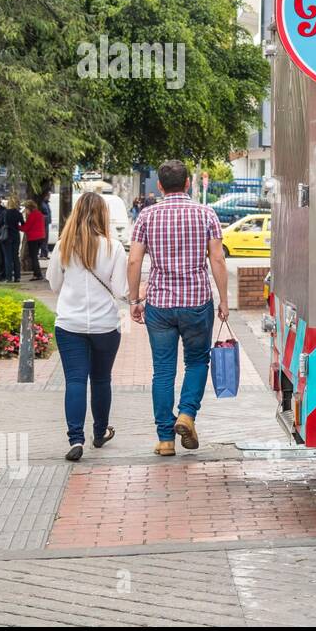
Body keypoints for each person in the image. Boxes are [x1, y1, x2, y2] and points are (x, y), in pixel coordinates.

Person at [127, 159, 229, 457]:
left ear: (159, 185)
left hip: (159, 304)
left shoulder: (147, 215)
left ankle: (165, 439)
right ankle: (186, 414)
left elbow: (134, 261)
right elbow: (218, 259)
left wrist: (134, 300)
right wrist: (223, 299)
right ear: (188, 184)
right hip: (197, 302)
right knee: (197, 362)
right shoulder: (206, 213)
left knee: (163, 370)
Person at [49, 192, 128, 461]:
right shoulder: (113, 248)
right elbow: (120, 290)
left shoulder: (63, 246)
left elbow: (54, 285)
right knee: (102, 379)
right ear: (102, 215)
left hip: (69, 323)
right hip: (105, 324)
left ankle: (75, 439)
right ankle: (99, 432)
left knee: (75, 379)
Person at [19, 199, 45, 281]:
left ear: (29, 208)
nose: (25, 211)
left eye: (26, 209)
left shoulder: (32, 215)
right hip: (41, 237)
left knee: (33, 257)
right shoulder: (39, 214)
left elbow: (26, 228)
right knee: (35, 256)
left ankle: (37, 274)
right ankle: (37, 273)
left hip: (34, 238)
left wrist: (17, 227)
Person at [0, 196, 23, 282]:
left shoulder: (5, 213)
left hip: (6, 236)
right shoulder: (18, 213)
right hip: (16, 236)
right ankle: (17, 277)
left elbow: (0, 223)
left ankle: (9, 277)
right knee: (15, 257)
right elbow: (23, 224)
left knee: (8, 257)